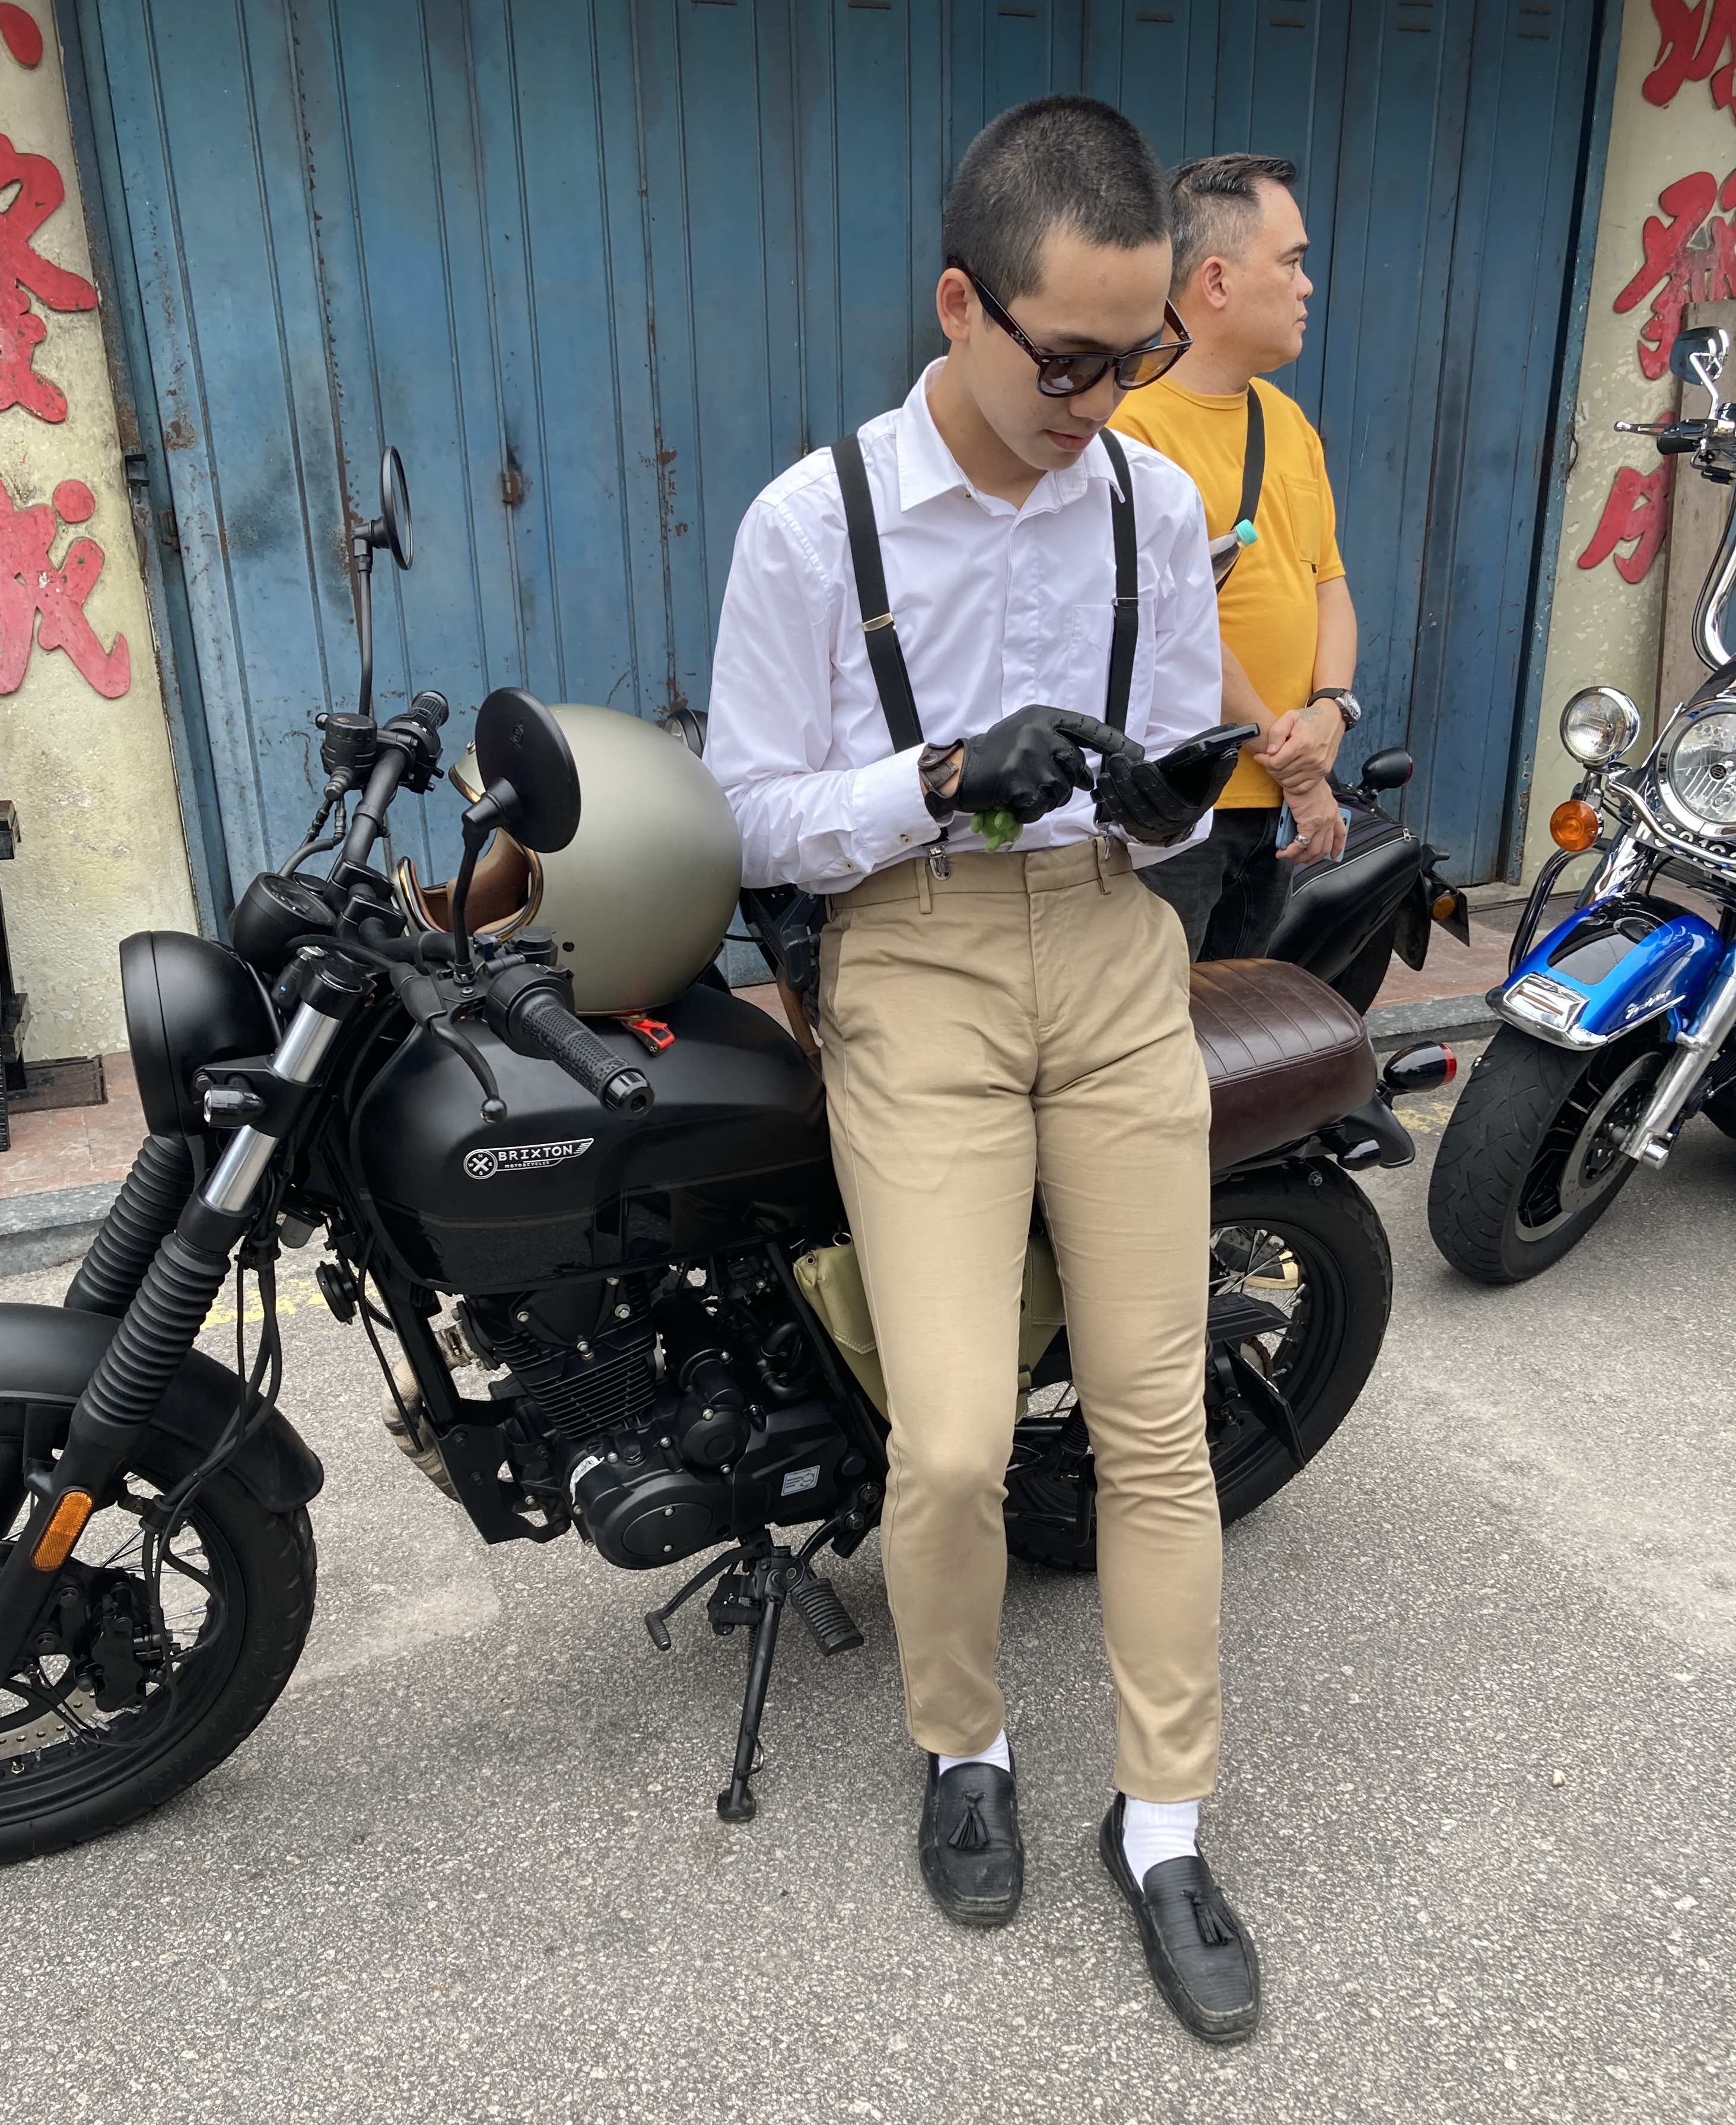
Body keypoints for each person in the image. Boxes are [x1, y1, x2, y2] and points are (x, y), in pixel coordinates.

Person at [705, 97, 1260, 2045]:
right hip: (914, 959)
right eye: (1071, 362)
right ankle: (964, 1745)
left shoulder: (1147, 506)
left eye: (1137, 358)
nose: (1101, 403)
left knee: (1150, 1415)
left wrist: (1170, 789)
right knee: (946, 1438)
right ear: (960, 306)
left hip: (1105, 946)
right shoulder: (811, 524)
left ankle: (1162, 1821)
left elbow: (1172, 747)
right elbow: (746, 814)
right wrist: (934, 775)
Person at [1108, 153, 1361, 960]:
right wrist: (1298, 768)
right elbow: (1168, 623)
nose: (1307, 287)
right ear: (1215, 280)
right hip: (1181, 807)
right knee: (1156, 1019)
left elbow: (1327, 583)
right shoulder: (1129, 430)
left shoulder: (1287, 422)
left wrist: (1332, 708)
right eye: (1290, 262)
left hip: (1273, 808)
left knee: (1241, 1019)